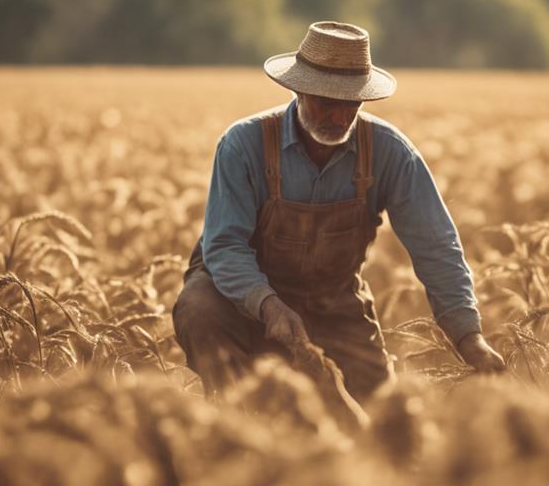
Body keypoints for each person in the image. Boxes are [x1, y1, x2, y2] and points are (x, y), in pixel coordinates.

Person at [172, 21, 505, 403]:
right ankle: (234, 424)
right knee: (199, 308)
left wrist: (469, 336)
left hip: (333, 303)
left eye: (351, 102)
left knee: (377, 421)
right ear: (298, 90)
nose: (340, 115)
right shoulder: (243, 145)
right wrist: (269, 306)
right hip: (240, 301)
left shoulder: (390, 152)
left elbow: (437, 246)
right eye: (327, 101)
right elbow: (225, 247)